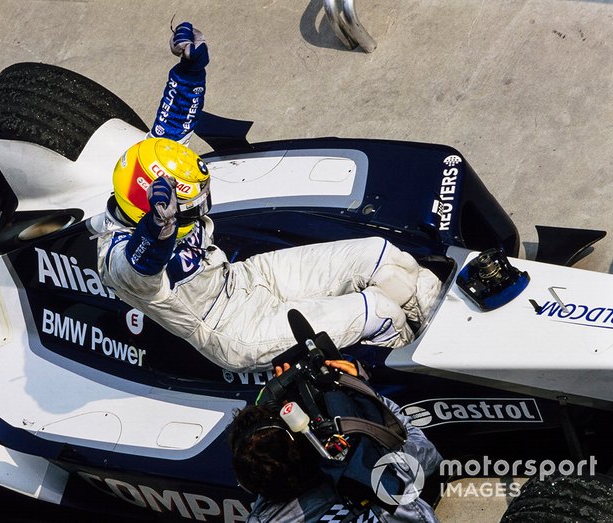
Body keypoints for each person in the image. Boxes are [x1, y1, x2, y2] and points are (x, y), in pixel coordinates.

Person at [92, 22, 441, 372]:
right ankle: (419, 385)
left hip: (246, 278)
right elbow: (140, 264)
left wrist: (190, 69)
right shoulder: (118, 260)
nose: (200, 212)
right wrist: (157, 228)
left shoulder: (149, 169)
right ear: (150, 210)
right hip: (236, 329)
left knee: (387, 260)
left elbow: (174, 123)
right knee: (380, 311)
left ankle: (454, 333)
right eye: (190, 208)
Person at [230, 360, 442, 523]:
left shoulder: (262, 518)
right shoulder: (378, 476)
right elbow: (428, 454)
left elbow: (271, 470)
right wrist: (364, 394)